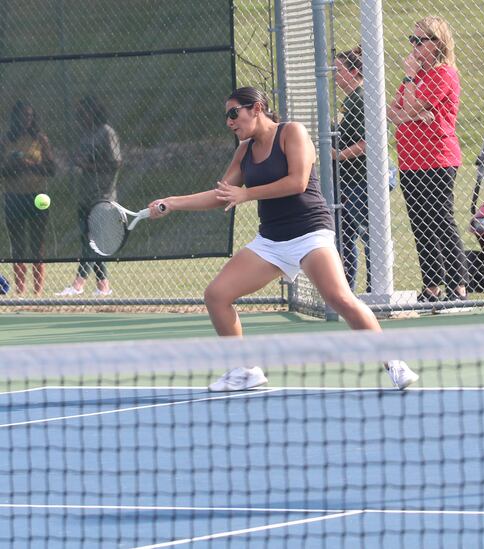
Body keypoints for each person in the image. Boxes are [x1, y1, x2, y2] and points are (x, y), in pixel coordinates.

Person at [147, 86, 419, 392]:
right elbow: (222, 195)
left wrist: (247, 193)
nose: (229, 122)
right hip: (271, 241)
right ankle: (245, 369)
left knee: (339, 298)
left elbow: (297, 181)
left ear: (257, 108)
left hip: (310, 232)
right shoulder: (244, 151)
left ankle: (393, 361)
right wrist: (172, 202)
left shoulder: (292, 133)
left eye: (234, 113)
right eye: (227, 116)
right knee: (216, 295)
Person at [388, 16, 468, 303]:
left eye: (420, 40)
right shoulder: (416, 77)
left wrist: (410, 83)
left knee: (440, 219)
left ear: (438, 44)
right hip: (409, 160)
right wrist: (414, 112)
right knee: (420, 223)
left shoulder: (443, 73)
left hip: (437, 158)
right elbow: (395, 113)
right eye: (413, 40)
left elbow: (408, 107)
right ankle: (432, 287)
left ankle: (458, 288)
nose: (414, 46)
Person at [56, 96, 122, 296]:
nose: (81, 116)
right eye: (79, 113)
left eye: (84, 112)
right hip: (84, 196)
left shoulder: (106, 132)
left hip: (102, 196)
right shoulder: (84, 134)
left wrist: (90, 166)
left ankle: (78, 284)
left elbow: (116, 162)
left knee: (92, 242)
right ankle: (104, 287)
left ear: (94, 112)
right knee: (90, 241)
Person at [0, 101, 55, 296]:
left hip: (37, 198)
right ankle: (20, 291)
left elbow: (51, 169)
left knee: (37, 246)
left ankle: (37, 292)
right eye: (22, 116)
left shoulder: (40, 139)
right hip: (14, 198)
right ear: (15, 118)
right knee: (18, 246)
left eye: (30, 116)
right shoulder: (6, 140)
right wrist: (13, 165)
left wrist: (29, 165)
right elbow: (2, 171)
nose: (26, 120)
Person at [333, 46, 371, 293]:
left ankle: (374, 288)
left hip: (360, 180)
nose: (334, 75)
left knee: (369, 237)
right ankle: (347, 291)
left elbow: (366, 142)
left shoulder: (360, 99)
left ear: (354, 71)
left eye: (338, 70)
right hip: (348, 182)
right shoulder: (350, 101)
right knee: (344, 238)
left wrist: (337, 155)